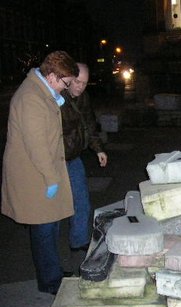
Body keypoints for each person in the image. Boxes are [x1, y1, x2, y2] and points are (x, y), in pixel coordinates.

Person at [1, 51, 79, 294]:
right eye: (65, 84)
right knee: (44, 230)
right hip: (35, 175)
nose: (66, 89)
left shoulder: (42, 93)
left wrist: (53, 99)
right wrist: (51, 178)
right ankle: (49, 281)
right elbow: (37, 147)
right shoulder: (31, 98)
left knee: (50, 227)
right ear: (53, 76)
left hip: (41, 172)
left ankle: (52, 272)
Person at [61, 63, 108, 253]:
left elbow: (89, 125)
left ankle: (78, 241)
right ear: (69, 79)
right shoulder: (57, 98)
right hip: (55, 160)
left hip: (73, 158)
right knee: (54, 206)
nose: (80, 87)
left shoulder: (84, 98)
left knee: (82, 201)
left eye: (85, 83)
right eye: (77, 82)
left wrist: (98, 150)